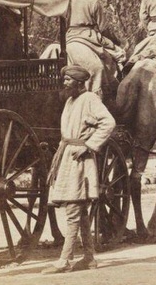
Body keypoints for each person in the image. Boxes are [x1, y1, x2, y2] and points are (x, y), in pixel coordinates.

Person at [44, 65, 116, 274]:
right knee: (80, 209)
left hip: (79, 158)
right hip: (67, 155)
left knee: (73, 210)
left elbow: (108, 123)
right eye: (64, 79)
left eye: (68, 80)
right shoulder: (70, 100)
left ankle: (64, 260)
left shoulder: (90, 99)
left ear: (78, 82)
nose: (65, 83)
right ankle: (89, 258)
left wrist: (89, 146)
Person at [65, 0, 122, 97]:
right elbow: (103, 29)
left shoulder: (68, 1)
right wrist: (116, 41)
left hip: (69, 38)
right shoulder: (93, 2)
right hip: (88, 37)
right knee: (114, 57)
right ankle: (105, 94)